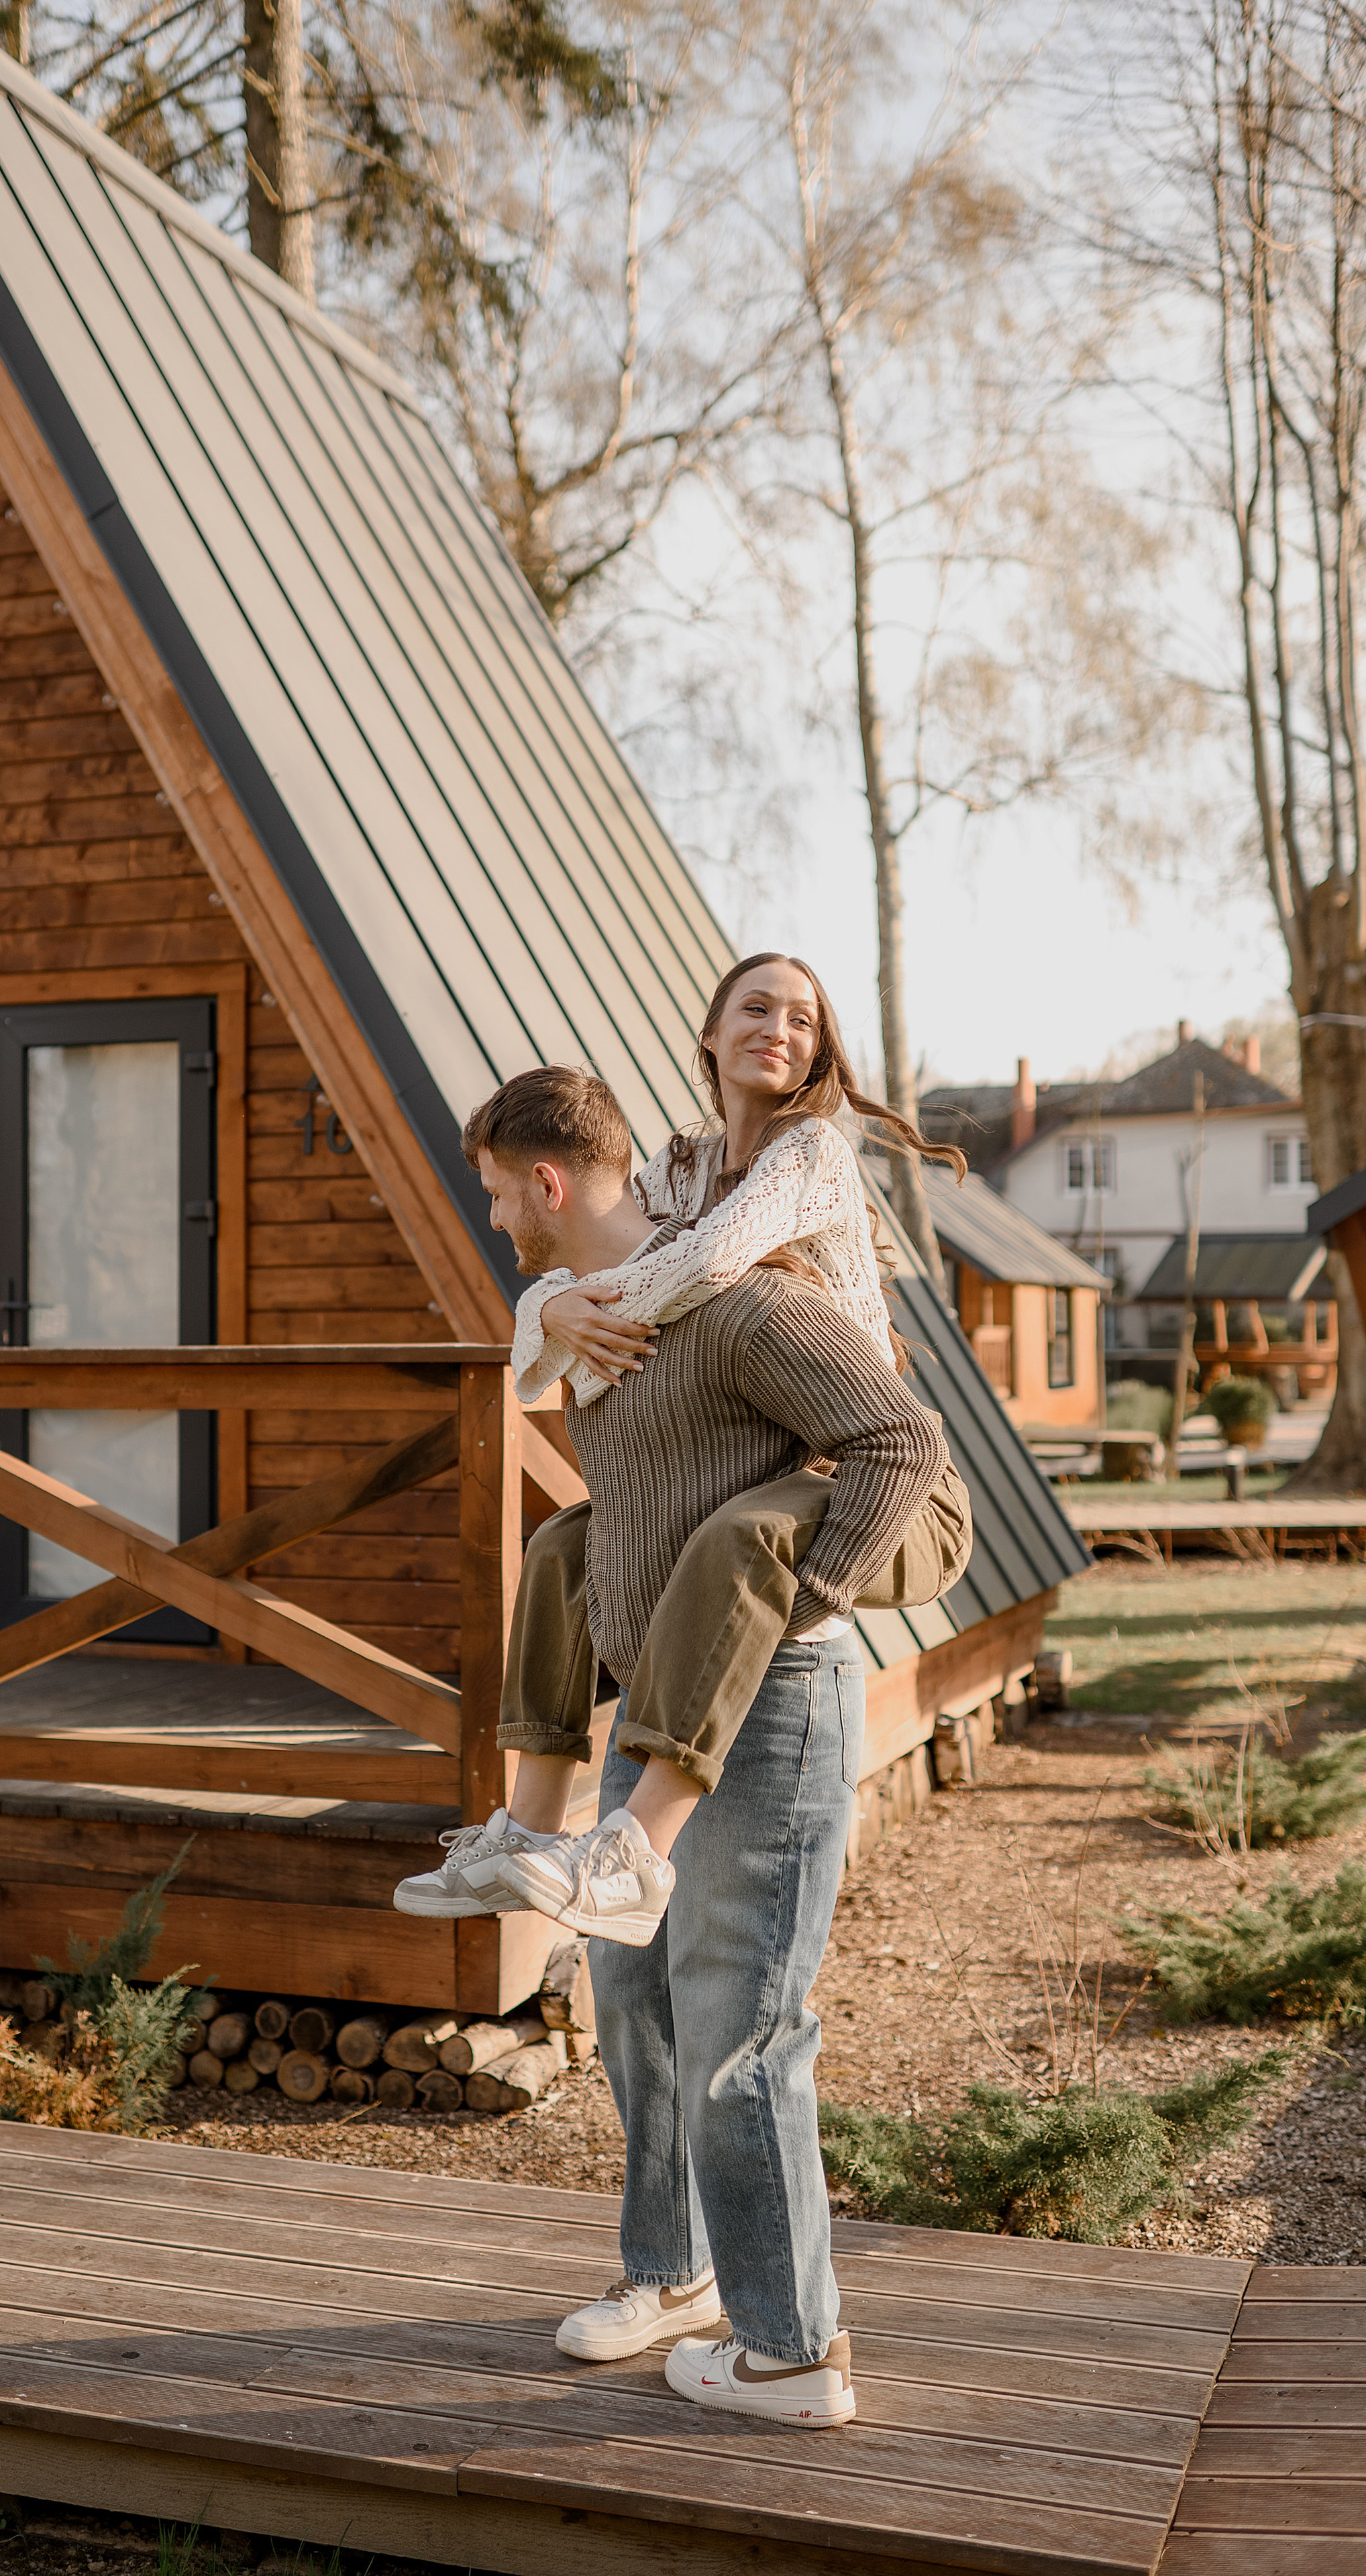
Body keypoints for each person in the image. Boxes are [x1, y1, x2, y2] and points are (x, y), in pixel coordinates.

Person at [428, 1064, 950, 2425]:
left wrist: (806, 1594)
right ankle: (674, 2277)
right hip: (655, 1719)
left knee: (739, 2035)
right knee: (642, 2018)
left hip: (767, 1713)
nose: (491, 1220)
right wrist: (551, 1314)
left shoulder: (745, 1303)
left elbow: (901, 1436)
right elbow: (613, 1511)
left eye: (495, 1193)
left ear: (548, 1182)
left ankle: (788, 2353)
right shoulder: (598, 1326)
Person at [394, 955, 969, 1943]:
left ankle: (635, 1856)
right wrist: (551, 1304)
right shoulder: (684, 1164)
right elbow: (606, 1224)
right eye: (756, 1007)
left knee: (746, 1534)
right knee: (566, 1543)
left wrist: (574, 1313)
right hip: (798, 1457)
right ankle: (528, 1831)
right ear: (708, 1031)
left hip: (884, 1478)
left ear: (819, 1049)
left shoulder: (810, 1155)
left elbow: (699, 1263)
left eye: (803, 1017)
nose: (779, 1028)